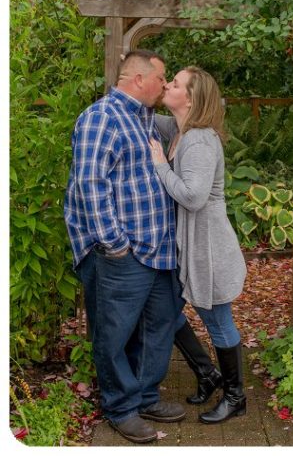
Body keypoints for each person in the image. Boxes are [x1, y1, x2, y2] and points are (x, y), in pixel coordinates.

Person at [65, 49, 184, 443]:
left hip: (158, 249)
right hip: (121, 252)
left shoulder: (145, 119)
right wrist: (113, 243)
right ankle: (121, 407)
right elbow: (89, 185)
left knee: (159, 326)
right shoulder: (102, 117)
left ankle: (146, 396)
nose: (165, 85)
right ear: (138, 78)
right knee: (114, 335)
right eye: (162, 78)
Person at [147, 66, 248, 424]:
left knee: (218, 321)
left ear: (189, 98)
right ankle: (208, 374)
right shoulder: (177, 129)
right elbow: (145, 117)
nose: (167, 85)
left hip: (209, 246)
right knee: (166, 311)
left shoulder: (200, 140)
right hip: (187, 242)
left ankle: (236, 398)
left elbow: (193, 196)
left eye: (174, 83)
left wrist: (160, 165)